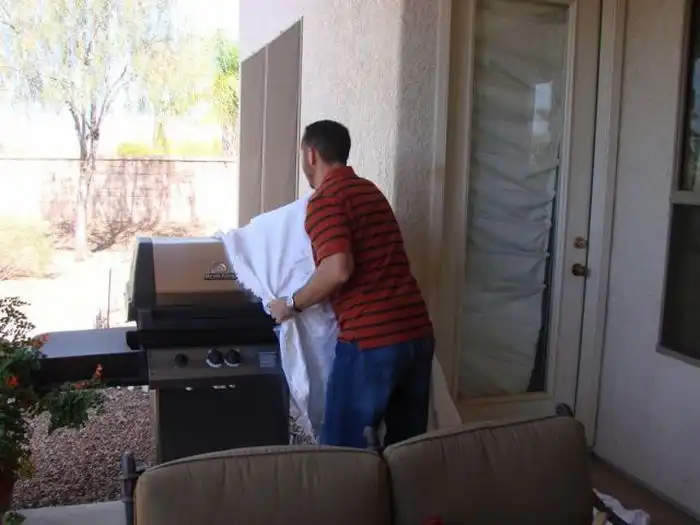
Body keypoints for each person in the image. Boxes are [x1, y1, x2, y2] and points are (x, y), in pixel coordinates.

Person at [268, 119, 434, 449]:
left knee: (343, 455)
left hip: (372, 342)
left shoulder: (326, 200)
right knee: (407, 452)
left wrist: (291, 305)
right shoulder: (369, 191)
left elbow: (337, 269)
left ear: (311, 155)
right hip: (416, 335)